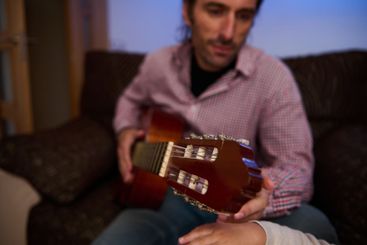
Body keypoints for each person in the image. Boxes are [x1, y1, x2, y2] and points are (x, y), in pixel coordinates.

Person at [93, 0, 338, 244]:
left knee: (317, 227)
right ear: (187, 12)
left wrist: (261, 194)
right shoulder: (158, 63)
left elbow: (298, 171)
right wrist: (125, 130)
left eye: (243, 16)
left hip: (237, 202)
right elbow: (129, 101)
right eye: (215, 11)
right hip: (164, 194)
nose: (228, 33)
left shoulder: (273, 78)